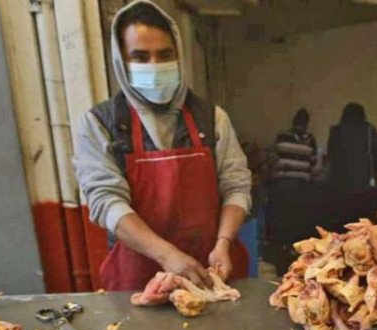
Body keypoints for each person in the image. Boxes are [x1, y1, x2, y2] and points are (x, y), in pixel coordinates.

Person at [74, 1, 252, 291]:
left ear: (178, 55)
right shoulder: (101, 124)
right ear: (122, 61)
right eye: (141, 57)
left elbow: (236, 186)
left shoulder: (211, 119)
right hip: (139, 280)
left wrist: (224, 242)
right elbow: (106, 201)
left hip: (214, 272)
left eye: (165, 55)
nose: (154, 66)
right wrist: (167, 255)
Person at [327, 103, 377, 193]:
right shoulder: (369, 130)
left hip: (339, 182)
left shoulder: (336, 131)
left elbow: (331, 155)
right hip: (363, 183)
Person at [272, 108, 318, 181]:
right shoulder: (311, 140)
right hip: (300, 182)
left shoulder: (282, 136)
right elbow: (313, 165)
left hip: (284, 180)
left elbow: (272, 160)